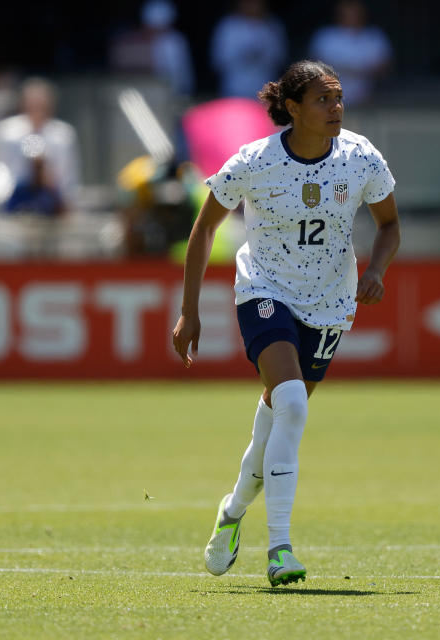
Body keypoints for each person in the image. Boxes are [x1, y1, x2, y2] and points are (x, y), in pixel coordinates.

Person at [172, 60, 400, 586]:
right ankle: (280, 549)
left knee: (279, 417)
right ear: (292, 108)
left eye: (339, 98)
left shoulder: (360, 157)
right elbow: (205, 229)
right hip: (265, 291)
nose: (335, 107)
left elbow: (389, 225)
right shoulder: (254, 160)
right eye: (323, 99)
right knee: (293, 403)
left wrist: (378, 269)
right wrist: (189, 310)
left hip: (330, 302)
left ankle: (231, 513)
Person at [0, 78, 81, 212]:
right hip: (12, 203)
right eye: (32, 104)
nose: (37, 109)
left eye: (41, 105)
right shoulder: (5, 132)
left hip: (52, 203)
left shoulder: (63, 135)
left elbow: (68, 179)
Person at [308, 0, 392, 106]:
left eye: (355, 11)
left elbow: (385, 68)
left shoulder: (374, 36)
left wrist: (360, 70)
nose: (351, 15)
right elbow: (313, 65)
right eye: (347, 11)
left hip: (366, 101)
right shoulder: (325, 36)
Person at [108, 0, 195, 97]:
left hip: (174, 95)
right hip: (147, 94)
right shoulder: (132, 41)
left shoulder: (173, 42)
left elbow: (172, 77)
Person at [210, 0, 288, 98]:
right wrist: (244, 55)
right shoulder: (227, 26)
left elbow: (279, 58)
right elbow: (218, 60)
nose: (253, 5)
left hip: (265, 91)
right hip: (234, 89)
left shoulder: (273, 26)